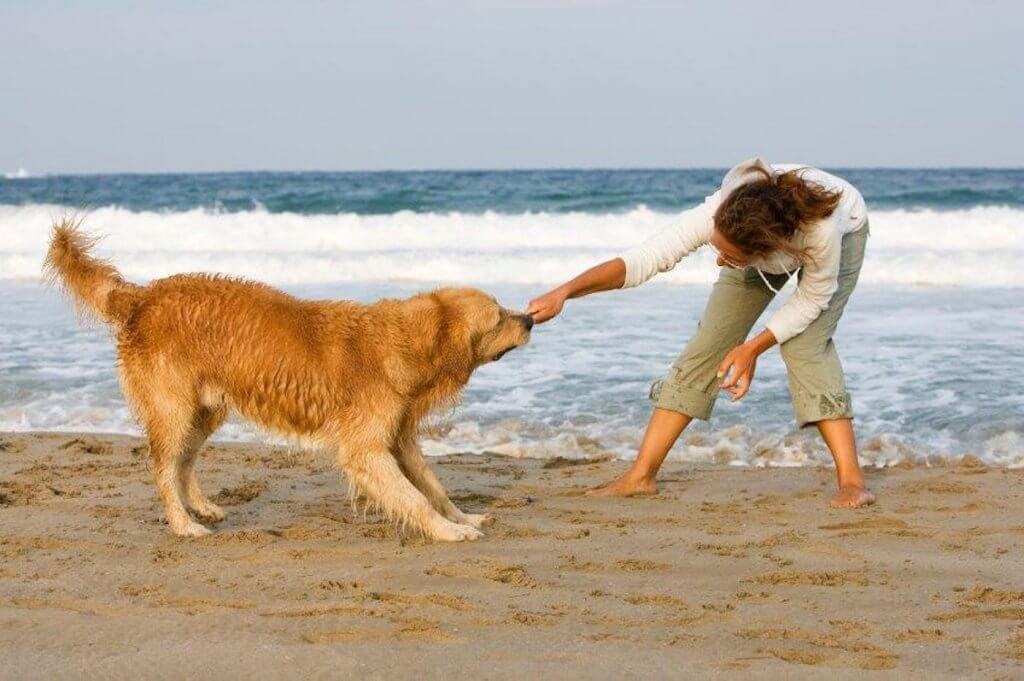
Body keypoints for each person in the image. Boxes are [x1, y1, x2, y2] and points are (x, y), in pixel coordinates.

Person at [527, 158, 875, 508]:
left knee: (805, 345)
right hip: (760, 234)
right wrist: (565, 291)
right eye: (716, 247)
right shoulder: (724, 212)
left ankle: (852, 482)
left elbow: (811, 301)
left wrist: (754, 347)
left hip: (845, 228)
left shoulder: (822, 231)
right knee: (710, 342)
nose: (718, 261)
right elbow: (645, 259)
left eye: (728, 255)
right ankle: (640, 476)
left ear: (763, 253)